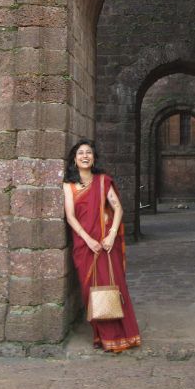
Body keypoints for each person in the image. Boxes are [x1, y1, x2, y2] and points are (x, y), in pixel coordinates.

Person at [63, 139, 141, 353]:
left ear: (94, 157)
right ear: (74, 159)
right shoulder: (68, 185)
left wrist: (111, 235)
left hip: (106, 244)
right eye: (80, 153)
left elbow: (118, 209)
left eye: (89, 153)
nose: (85, 156)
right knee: (91, 291)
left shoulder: (103, 180)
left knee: (114, 287)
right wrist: (88, 240)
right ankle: (102, 335)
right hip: (84, 244)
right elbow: (70, 217)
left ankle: (122, 335)